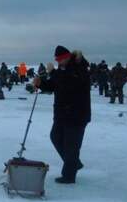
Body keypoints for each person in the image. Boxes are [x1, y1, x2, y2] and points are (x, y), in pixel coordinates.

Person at [34, 46, 91, 184]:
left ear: (68, 56)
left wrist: (53, 72)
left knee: (71, 145)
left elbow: (70, 84)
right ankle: (74, 163)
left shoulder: (80, 67)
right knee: (55, 137)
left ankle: (69, 176)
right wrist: (41, 84)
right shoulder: (62, 70)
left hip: (77, 114)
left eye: (60, 59)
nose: (58, 62)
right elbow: (55, 86)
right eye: (56, 60)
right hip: (61, 114)